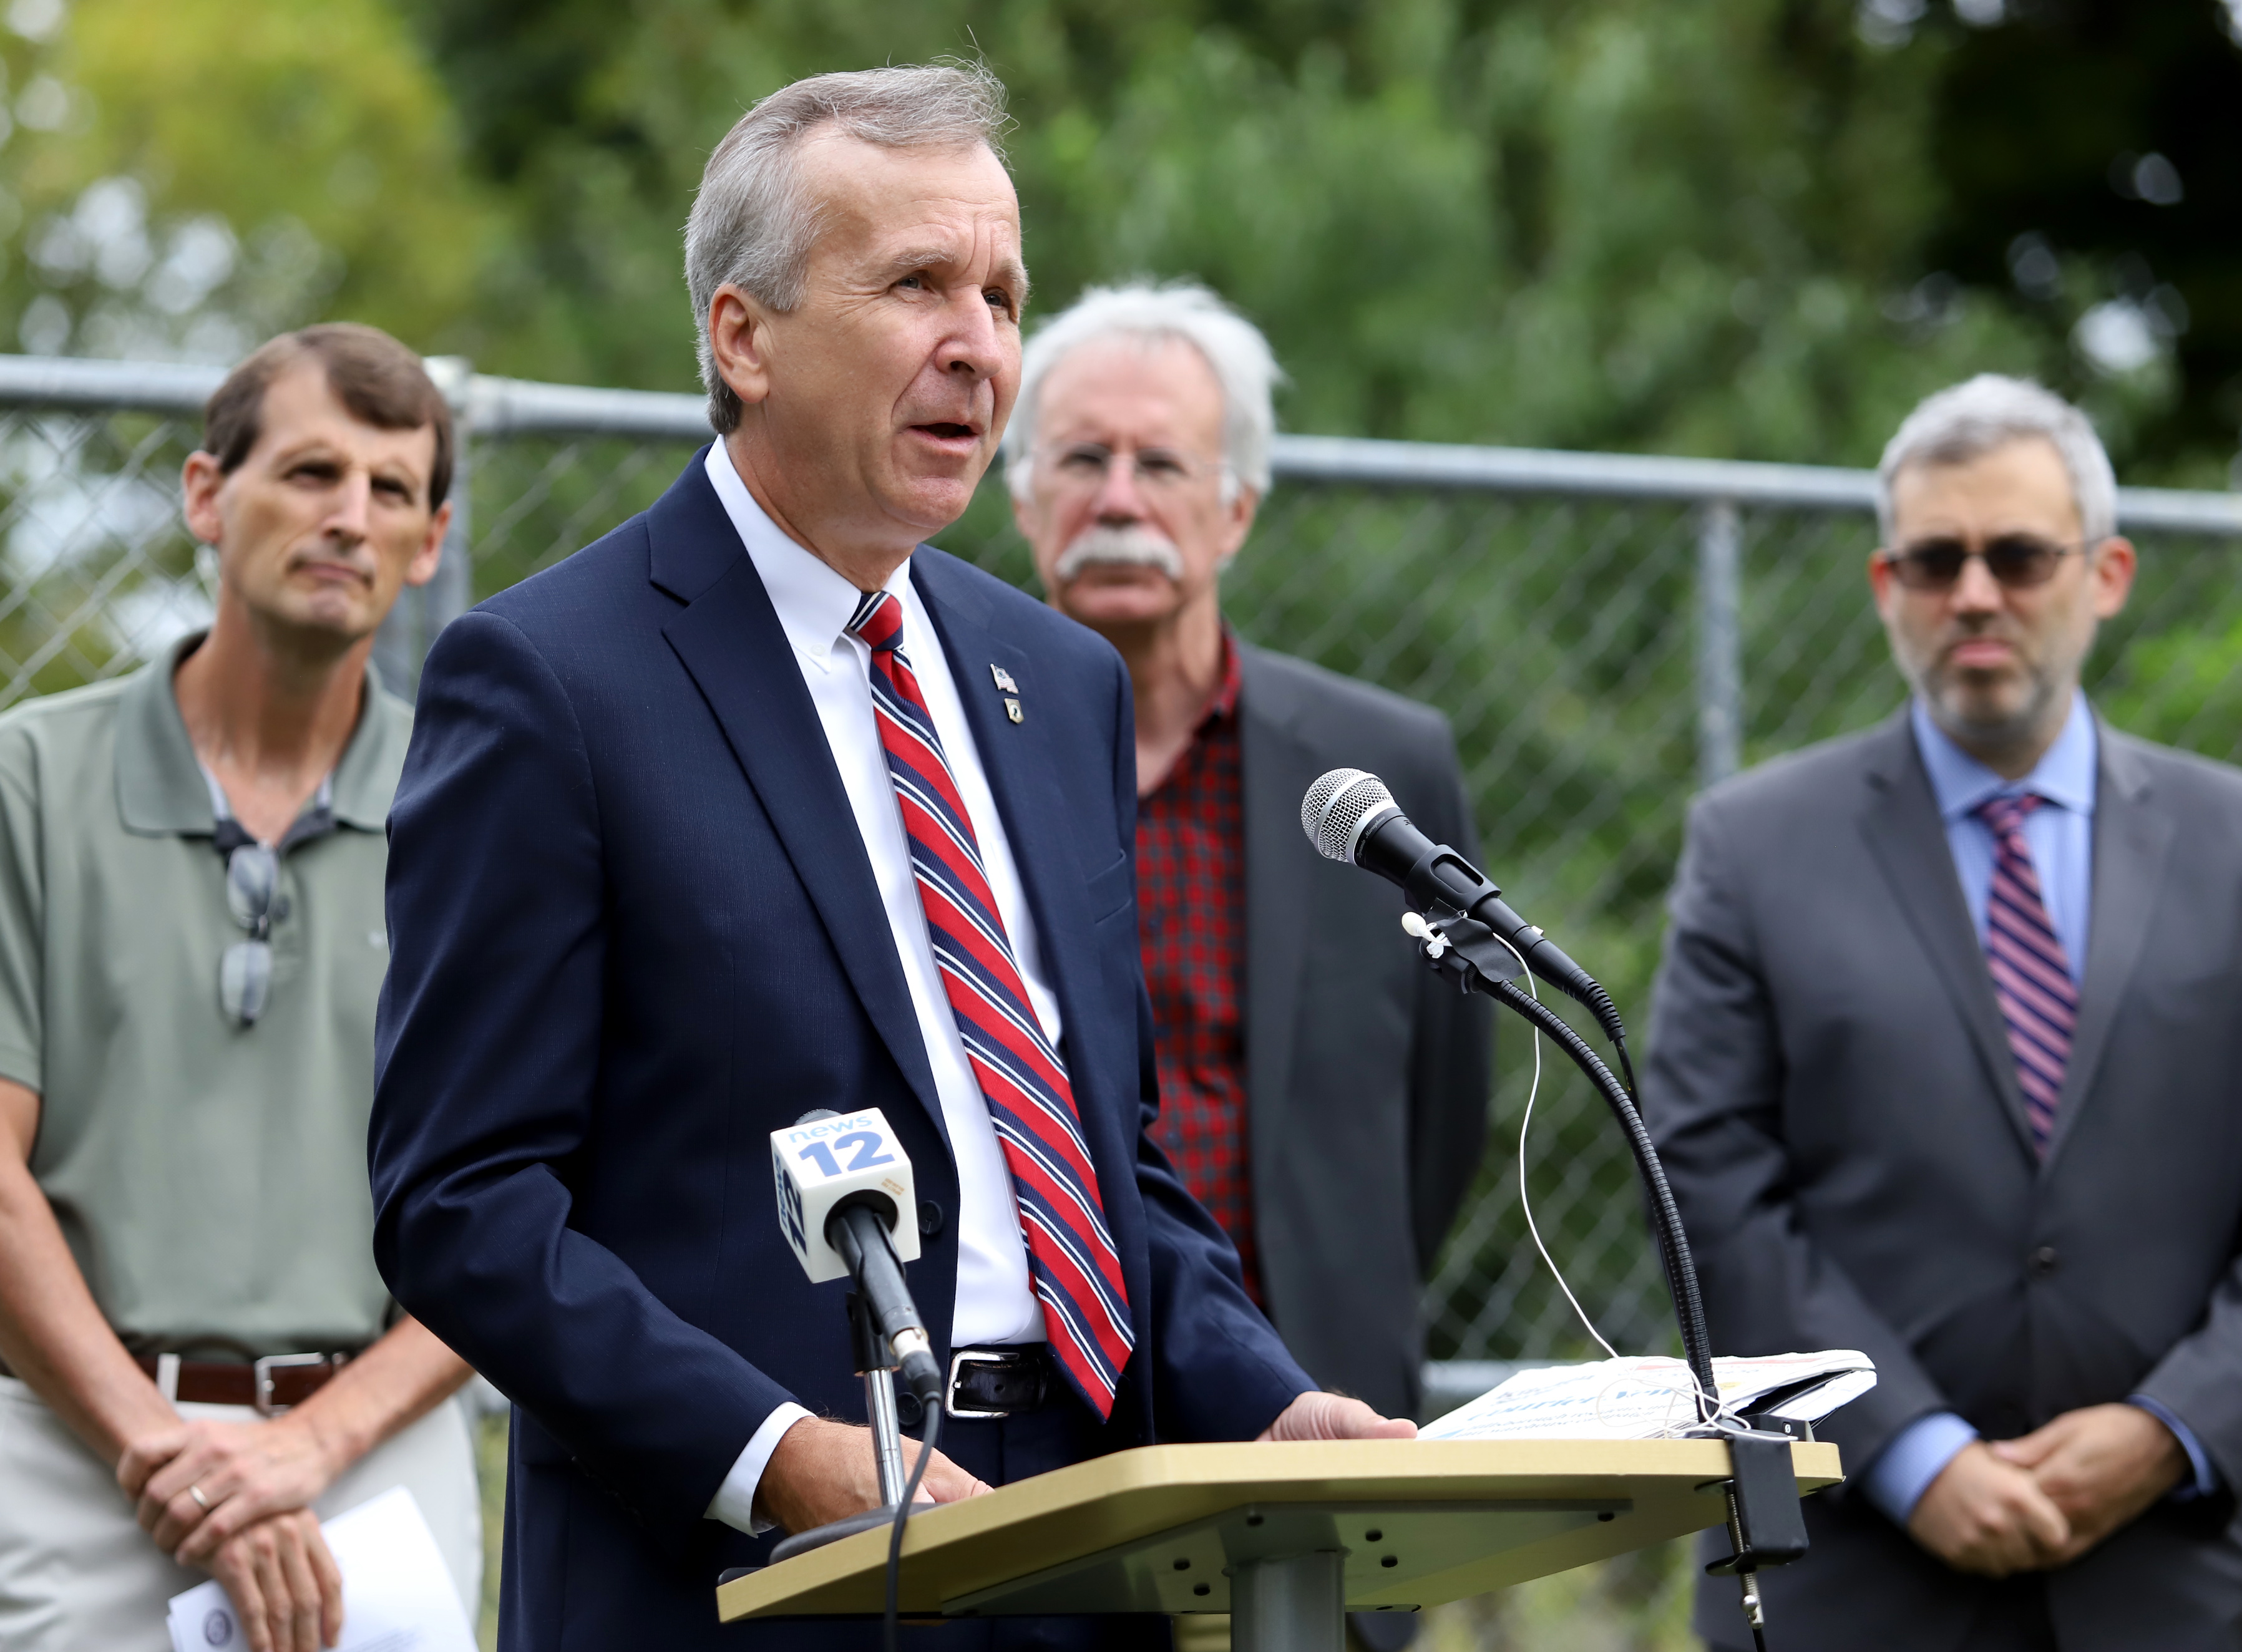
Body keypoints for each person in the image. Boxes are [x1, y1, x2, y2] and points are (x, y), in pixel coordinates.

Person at [364, 64, 1410, 1652]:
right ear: (743, 336)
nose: (978, 343)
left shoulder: (1054, 679)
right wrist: (780, 1459)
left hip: (1080, 1535)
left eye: (1000, 293)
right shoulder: (553, 681)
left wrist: (1261, 1406)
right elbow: (462, 1200)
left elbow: (1105, 1164)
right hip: (741, 1573)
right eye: (915, 281)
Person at [1645, 373, 2242, 1651]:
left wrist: (2170, 1431)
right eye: (1933, 560)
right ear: (1883, 587)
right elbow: (1704, 1180)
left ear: (2104, 574)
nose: (1972, 593)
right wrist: (1908, 1452)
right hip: (1850, 1572)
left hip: (2190, 1579)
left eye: (2016, 555)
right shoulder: (1751, 848)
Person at [0, 324, 480, 1652]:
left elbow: (522, 1191)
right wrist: (178, 1453)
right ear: (208, 496)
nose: (350, 518)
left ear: (431, 541)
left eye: (391, 491)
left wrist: (306, 1444)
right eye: (312, 472)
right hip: (75, 1443)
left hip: (375, 1446)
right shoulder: (27, 780)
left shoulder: (477, 811)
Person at [1000, 282, 1492, 1427]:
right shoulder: (945, 763)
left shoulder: (1377, 771)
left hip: (1321, 1414)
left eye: (1161, 465)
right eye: (1080, 460)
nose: (1117, 500)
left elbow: (1445, 1109)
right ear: (1022, 497)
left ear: (1236, 511)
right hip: (1044, 1429)